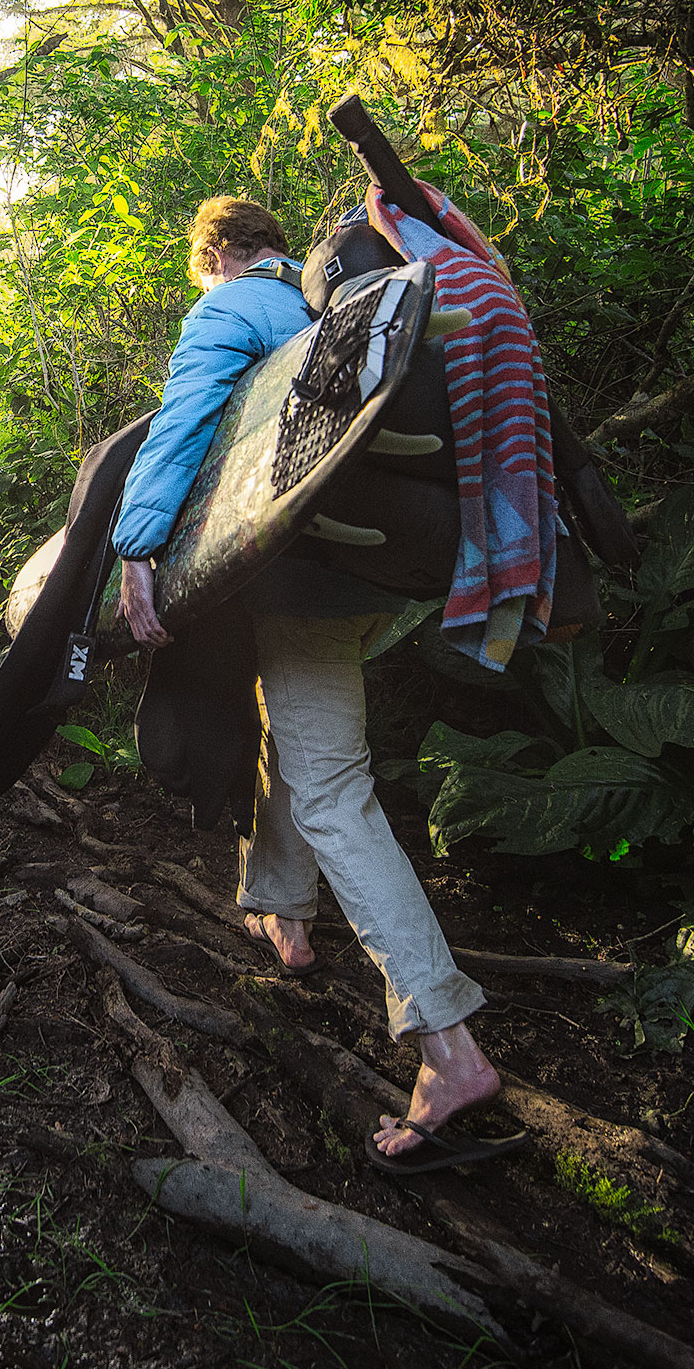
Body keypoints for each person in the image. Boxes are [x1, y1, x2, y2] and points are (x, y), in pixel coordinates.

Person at [110, 195, 513, 1172]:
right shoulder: (323, 302)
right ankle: (281, 911)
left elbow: (183, 425)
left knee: (331, 787)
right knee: (296, 729)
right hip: (383, 574)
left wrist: (134, 549)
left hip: (303, 575)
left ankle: (445, 1045)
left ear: (212, 258)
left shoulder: (227, 310)